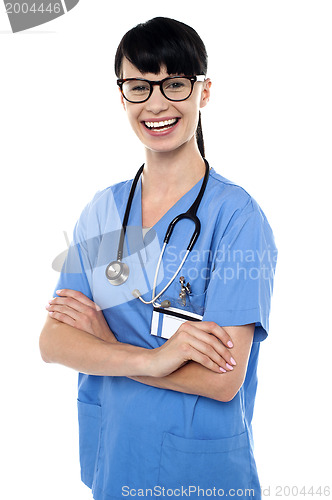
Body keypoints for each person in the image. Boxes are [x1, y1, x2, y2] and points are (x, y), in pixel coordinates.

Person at [39, 17, 277, 500]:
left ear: (203, 92)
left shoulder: (236, 219)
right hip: (117, 458)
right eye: (139, 86)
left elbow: (223, 380)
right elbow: (54, 342)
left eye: (173, 84)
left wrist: (107, 346)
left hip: (204, 473)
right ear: (121, 95)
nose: (156, 104)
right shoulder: (107, 211)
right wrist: (159, 360)